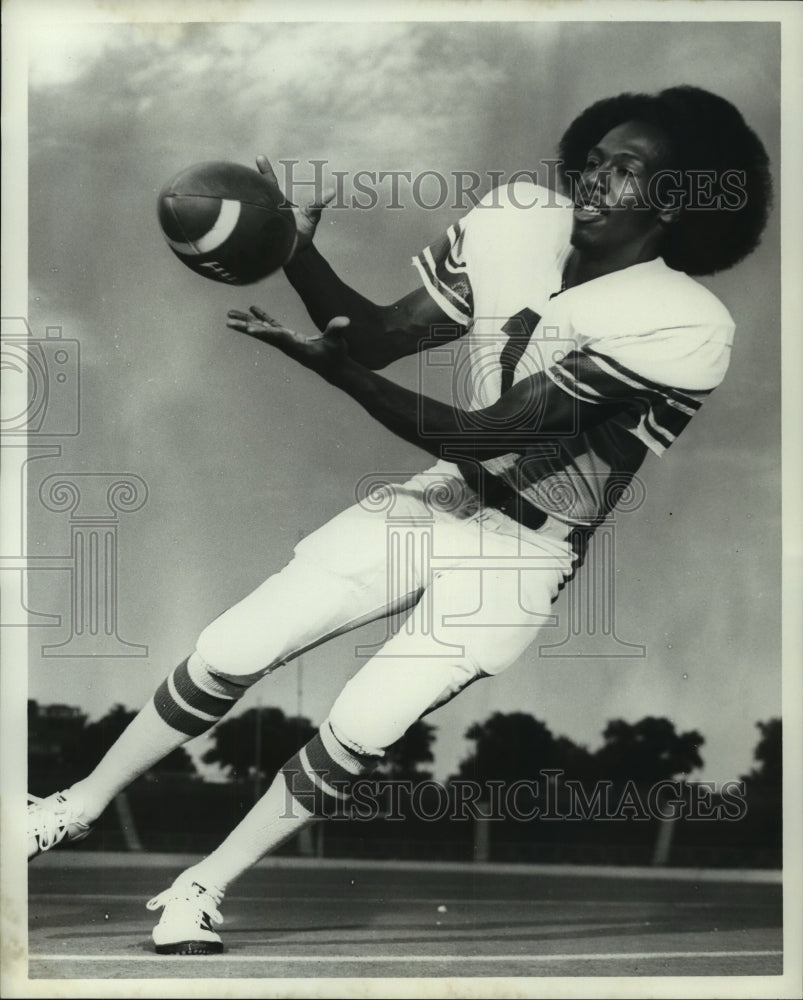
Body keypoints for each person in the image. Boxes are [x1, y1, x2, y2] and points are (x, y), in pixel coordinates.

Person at [28, 85, 772, 955]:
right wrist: (295, 255)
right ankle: (67, 809)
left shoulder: (685, 322)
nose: (594, 180)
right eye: (593, 161)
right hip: (443, 496)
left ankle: (200, 887)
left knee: (363, 722)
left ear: (674, 201)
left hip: (526, 548)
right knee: (235, 644)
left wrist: (335, 375)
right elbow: (380, 335)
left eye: (626, 171)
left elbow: (488, 430)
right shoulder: (516, 220)